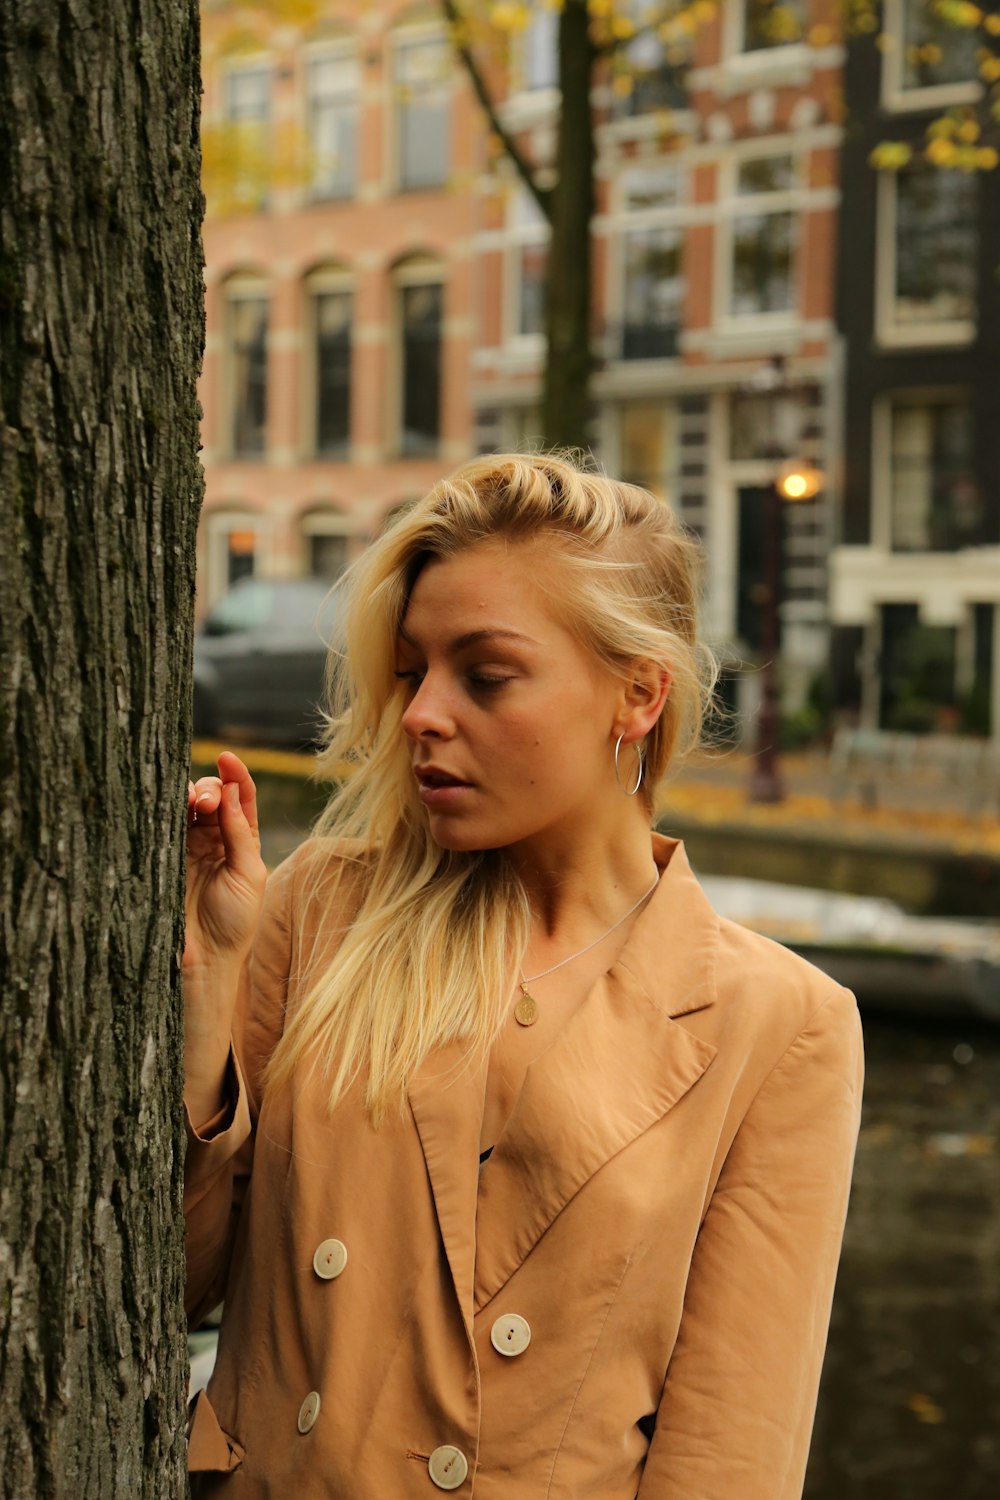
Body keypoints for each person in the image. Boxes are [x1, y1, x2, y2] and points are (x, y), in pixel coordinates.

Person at [183, 453, 863, 1499]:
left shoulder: (778, 1024)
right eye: (411, 670)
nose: (419, 714)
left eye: (484, 675)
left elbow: (729, 1449)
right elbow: (174, 1283)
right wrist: (209, 981)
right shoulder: (323, 906)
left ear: (636, 695)